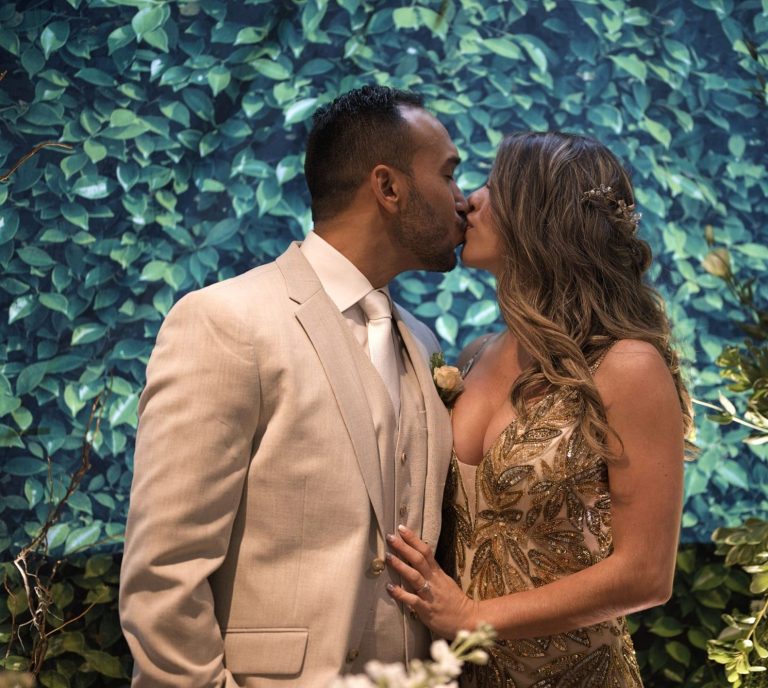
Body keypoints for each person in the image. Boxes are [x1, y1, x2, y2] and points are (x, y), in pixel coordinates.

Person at [119, 85, 468, 687]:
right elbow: (163, 573)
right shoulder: (226, 321)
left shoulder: (421, 340)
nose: (463, 201)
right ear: (388, 188)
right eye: (449, 174)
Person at [384, 132, 691, 686]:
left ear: (541, 217)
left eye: (494, 187)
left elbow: (647, 573)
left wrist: (474, 617)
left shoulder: (628, 366)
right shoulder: (474, 355)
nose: (469, 200)